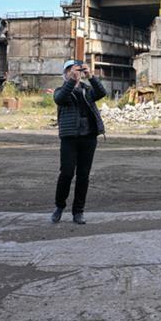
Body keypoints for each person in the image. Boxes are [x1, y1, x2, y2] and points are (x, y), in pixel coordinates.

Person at [51, 59, 107, 225]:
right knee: (67, 173)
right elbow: (61, 99)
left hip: (88, 137)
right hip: (70, 138)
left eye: (76, 70)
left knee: (83, 176)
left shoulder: (87, 90)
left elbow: (102, 92)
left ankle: (78, 211)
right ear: (65, 73)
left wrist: (90, 76)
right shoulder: (61, 90)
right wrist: (72, 81)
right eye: (70, 70)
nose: (74, 73)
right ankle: (59, 206)